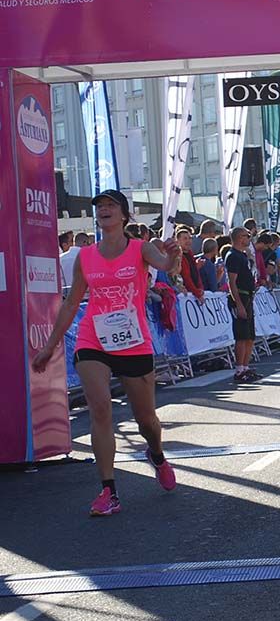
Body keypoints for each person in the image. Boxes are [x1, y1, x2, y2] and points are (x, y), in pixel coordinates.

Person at [31, 190, 182, 517]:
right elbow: (72, 303)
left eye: (111, 206)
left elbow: (167, 266)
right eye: (100, 207)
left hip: (133, 341)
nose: (104, 210)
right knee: (100, 409)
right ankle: (108, 492)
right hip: (93, 340)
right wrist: (50, 345)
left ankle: (156, 453)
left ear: (124, 216)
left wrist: (174, 256)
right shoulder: (86, 256)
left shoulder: (141, 249)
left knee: (146, 421)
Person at [226, 227, 261, 383]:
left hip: (249, 297)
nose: (249, 239)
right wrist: (238, 304)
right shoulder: (232, 256)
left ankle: (246, 367)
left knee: (250, 336)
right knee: (241, 336)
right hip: (240, 297)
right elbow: (231, 282)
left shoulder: (243, 256)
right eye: (247, 236)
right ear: (240, 238)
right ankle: (239, 369)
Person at [176, 227, 205, 302]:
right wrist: (197, 292)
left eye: (190, 238)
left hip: (194, 294)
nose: (188, 241)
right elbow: (186, 278)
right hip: (186, 296)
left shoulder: (190, 254)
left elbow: (196, 274)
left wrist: (200, 289)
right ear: (178, 241)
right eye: (185, 238)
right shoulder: (178, 256)